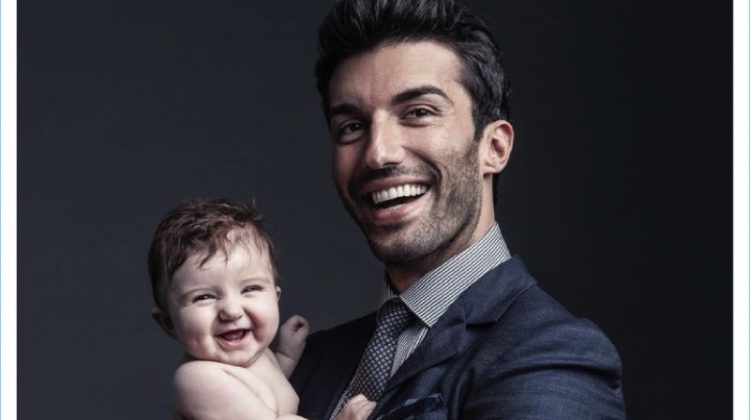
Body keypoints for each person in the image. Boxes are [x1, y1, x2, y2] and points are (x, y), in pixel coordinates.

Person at [290, 0, 626, 419]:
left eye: (418, 113)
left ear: (494, 147)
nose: (377, 153)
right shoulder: (309, 362)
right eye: (352, 127)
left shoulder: (554, 355)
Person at [148, 199, 375, 420]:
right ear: (168, 323)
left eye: (249, 289)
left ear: (275, 298)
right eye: (204, 297)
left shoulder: (256, 355)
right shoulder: (198, 380)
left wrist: (286, 356)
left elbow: (267, 398)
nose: (232, 310)